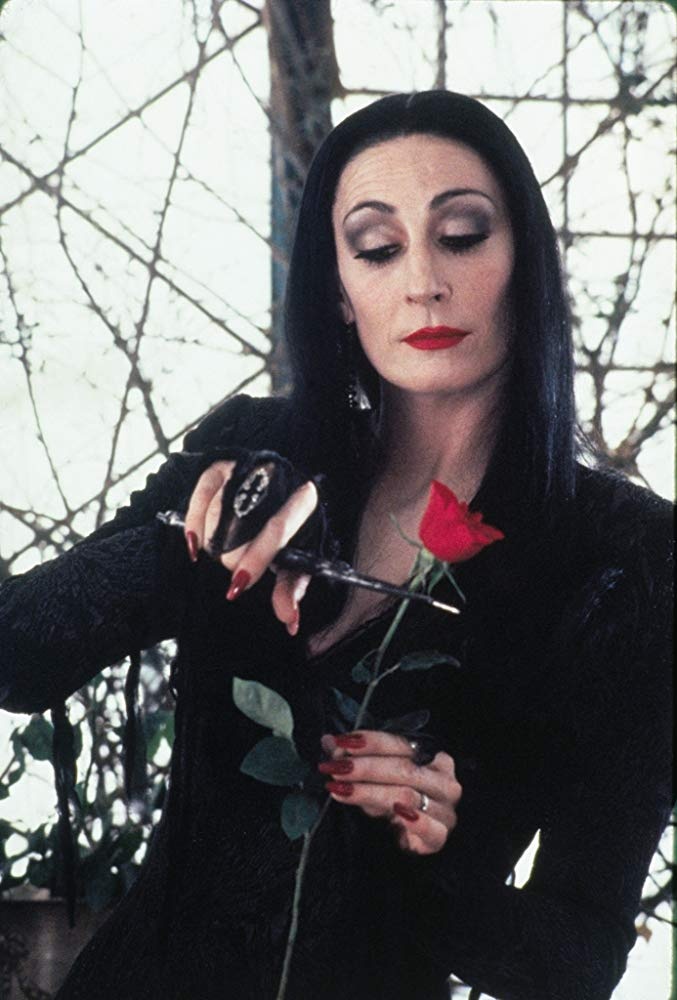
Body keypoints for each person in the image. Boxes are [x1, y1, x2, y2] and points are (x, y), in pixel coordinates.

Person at [0, 91, 672, 1000]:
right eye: (377, 247)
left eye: (461, 235)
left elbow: (576, 961)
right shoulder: (248, 449)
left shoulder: (628, 558)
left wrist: (426, 861)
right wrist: (189, 544)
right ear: (340, 294)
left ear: (524, 263)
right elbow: (19, 657)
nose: (422, 280)